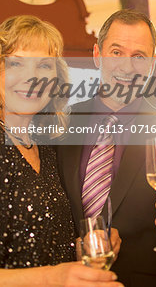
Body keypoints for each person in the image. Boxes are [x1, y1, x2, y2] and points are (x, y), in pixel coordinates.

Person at [56, 9, 156, 287]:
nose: (126, 67)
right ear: (98, 55)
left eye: (139, 56)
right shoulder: (61, 124)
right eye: (116, 52)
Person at [0, 15, 123, 286]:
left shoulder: (48, 147)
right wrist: (51, 277)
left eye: (44, 65)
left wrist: (79, 248)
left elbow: (44, 242)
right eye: (17, 63)